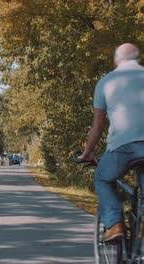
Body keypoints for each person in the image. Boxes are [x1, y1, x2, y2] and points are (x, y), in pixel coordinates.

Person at [79, 43, 144, 242]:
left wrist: (88, 151)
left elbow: (97, 127)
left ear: (116, 61)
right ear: (138, 59)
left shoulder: (106, 82)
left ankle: (115, 224)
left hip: (122, 148)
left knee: (102, 179)